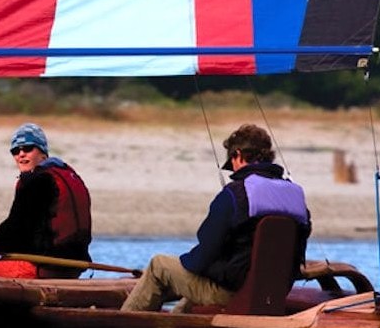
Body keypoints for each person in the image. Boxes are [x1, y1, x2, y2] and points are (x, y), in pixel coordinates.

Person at [121, 123, 312, 312]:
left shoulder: (235, 194)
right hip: (274, 293)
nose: (233, 171)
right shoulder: (296, 195)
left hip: (232, 292)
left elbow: (204, 254)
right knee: (201, 284)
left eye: (232, 163)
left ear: (237, 155)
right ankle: (178, 325)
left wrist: (194, 266)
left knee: (159, 265)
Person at [0, 122, 93, 279]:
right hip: (74, 268)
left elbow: (5, 240)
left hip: (44, 268)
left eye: (28, 148)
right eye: (15, 151)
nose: (21, 154)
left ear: (43, 153)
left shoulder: (37, 181)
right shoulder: (68, 175)